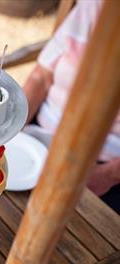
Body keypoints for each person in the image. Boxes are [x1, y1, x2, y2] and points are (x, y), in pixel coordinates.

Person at [23, 0, 120, 213]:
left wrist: (108, 175)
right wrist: (14, 128)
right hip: (39, 133)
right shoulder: (94, 7)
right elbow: (41, 77)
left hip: (105, 165)